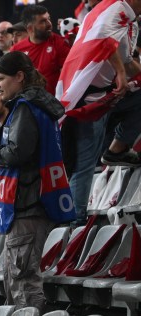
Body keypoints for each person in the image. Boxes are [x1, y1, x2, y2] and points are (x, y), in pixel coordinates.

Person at [0, 52, 74, 311]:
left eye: (1, 78)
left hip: (27, 205)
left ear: (19, 77)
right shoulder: (34, 104)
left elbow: (17, 154)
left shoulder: (26, 107)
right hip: (32, 203)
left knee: (23, 282)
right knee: (19, 280)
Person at [60, 0, 141, 221]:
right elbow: (103, 40)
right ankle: (74, 223)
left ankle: (117, 150)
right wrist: (121, 73)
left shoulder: (126, 18)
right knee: (83, 163)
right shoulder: (116, 8)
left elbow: (125, 58)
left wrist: (128, 71)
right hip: (86, 97)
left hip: (106, 95)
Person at [11, 5, 71, 95]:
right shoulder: (16, 50)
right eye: (43, 21)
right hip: (26, 103)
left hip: (53, 104)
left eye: (48, 19)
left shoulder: (60, 43)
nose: (49, 24)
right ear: (30, 28)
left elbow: (68, 77)